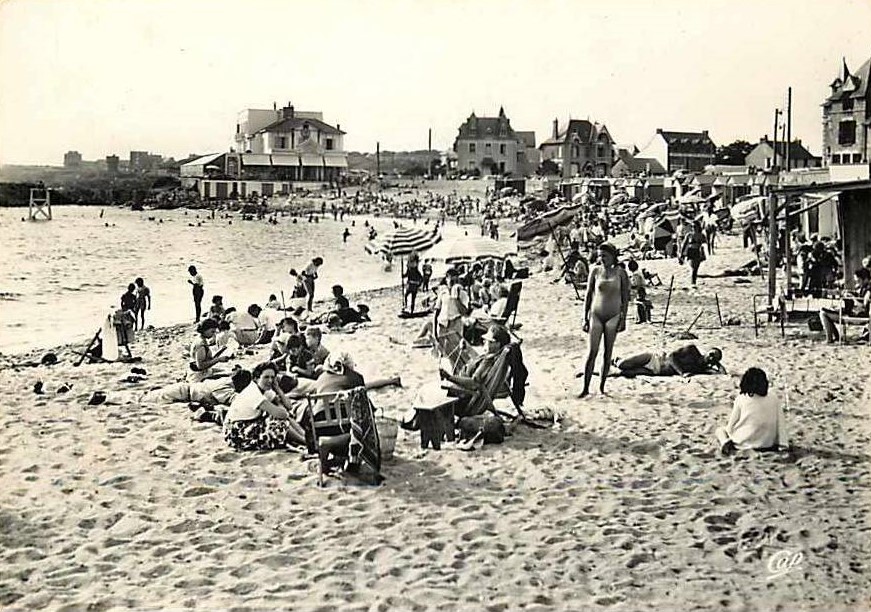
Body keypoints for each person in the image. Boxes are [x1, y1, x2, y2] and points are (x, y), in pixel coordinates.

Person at [579, 242, 630, 397]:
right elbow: (588, 295)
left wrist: (624, 318)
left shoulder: (620, 272)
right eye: (600, 255)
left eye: (605, 256)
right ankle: (585, 388)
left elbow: (625, 297)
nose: (602, 259)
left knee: (608, 353)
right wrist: (584, 317)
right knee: (592, 352)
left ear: (613, 256)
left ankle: (601, 387)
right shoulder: (595, 271)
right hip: (596, 314)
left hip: (613, 316)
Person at [223, 362, 308, 451]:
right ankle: (305, 441)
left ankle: (306, 437)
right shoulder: (253, 392)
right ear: (256, 378)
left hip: (250, 424)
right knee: (279, 423)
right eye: (266, 377)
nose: (270, 381)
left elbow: (289, 406)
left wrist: (278, 389)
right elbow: (282, 414)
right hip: (235, 433)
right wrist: (281, 408)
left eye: (272, 377)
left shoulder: (264, 389)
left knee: (282, 418)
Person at [715, 367, 789, 455]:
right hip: (767, 443)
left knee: (720, 430)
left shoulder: (741, 399)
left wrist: (731, 433)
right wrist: (783, 444)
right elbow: (781, 424)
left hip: (744, 443)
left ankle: (725, 443)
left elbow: (730, 427)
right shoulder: (774, 397)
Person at [818, 267, 870, 343]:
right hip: (854, 312)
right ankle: (836, 337)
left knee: (823, 313)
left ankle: (830, 339)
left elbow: (864, 306)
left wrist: (852, 297)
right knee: (824, 311)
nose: (857, 283)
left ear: (865, 279)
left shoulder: (868, 290)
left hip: (857, 315)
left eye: (858, 281)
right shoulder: (864, 288)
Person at [613, 345, 724, 377]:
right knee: (622, 365)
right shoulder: (692, 350)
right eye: (711, 354)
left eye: (714, 359)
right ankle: (614, 360)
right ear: (707, 351)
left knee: (626, 373)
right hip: (655, 359)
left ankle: (604, 370)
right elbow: (671, 356)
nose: (711, 358)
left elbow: (722, 373)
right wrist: (682, 373)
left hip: (657, 372)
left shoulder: (701, 368)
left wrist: (717, 363)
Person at [188, 318, 231, 383]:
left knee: (228, 371)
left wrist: (220, 351)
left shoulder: (201, 339)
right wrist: (218, 360)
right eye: (212, 332)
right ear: (205, 330)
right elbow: (200, 366)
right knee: (229, 376)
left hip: (202, 372)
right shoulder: (200, 345)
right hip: (199, 376)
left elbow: (205, 359)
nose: (213, 334)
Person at [680, 221, 707, 286]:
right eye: (691, 226)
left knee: (696, 269)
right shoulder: (689, 235)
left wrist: (704, 254)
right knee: (692, 268)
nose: (693, 228)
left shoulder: (702, 235)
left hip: (698, 251)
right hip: (690, 251)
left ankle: (693, 282)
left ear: (698, 227)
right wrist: (681, 254)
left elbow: (704, 245)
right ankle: (693, 283)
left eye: (694, 226)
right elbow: (684, 244)